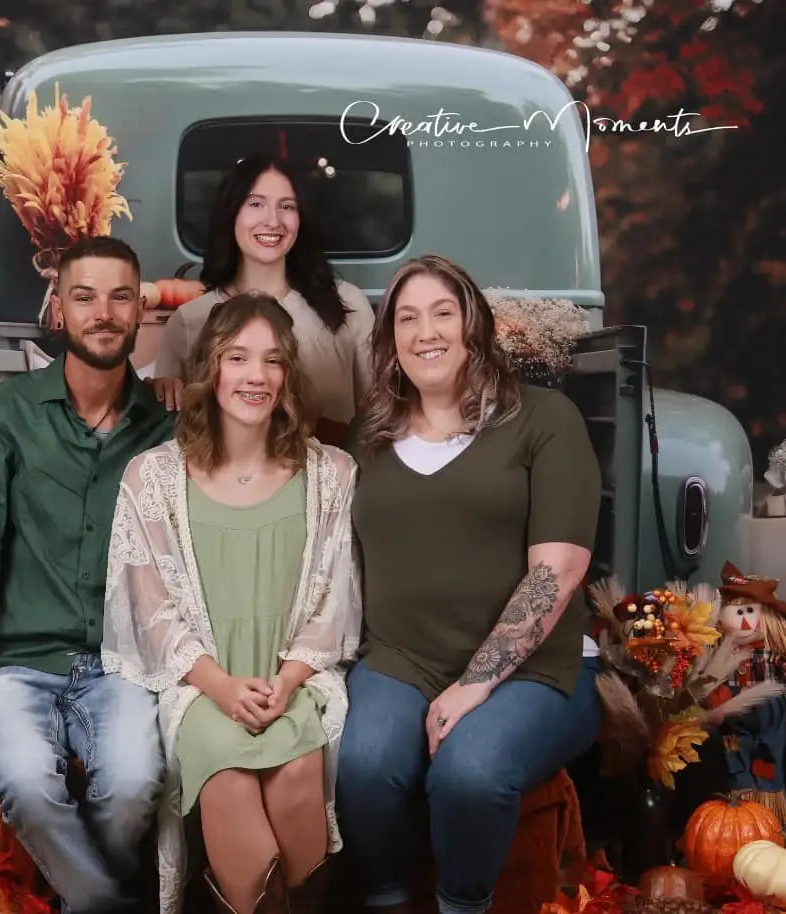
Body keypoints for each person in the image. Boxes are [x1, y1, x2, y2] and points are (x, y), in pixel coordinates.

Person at [335, 255, 603, 914]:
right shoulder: (368, 437)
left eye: (442, 313)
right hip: (400, 659)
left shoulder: (544, 421)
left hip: (531, 673)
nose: (425, 331)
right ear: (389, 342)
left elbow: (557, 570)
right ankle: (387, 899)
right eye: (406, 318)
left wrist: (475, 683)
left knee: (471, 773)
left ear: (473, 326)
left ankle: (461, 905)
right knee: (361, 767)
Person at [0, 236, 176, 914]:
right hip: (18, 664)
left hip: (122, 665)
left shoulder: (168, 427)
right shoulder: (1, 419)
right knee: (24, 780)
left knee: (132, 785)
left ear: (138, 314)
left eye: (120, 296)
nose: (103, 312)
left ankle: (88, 901)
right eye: (85, 296)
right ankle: (112, 904)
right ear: (58, 313)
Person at [103, 292, 362, 914]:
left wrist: (292, 676)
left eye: (272, 361)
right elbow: (150, 608)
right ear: (210, 370)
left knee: (300, 778)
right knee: (229, 783)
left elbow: (336, 595)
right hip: (202, 686)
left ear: (288, 374)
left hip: (293, 681)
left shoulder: (331, 474)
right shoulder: (153, 479)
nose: (256, 376)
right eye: (238, 357)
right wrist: (218, 686)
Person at [151, 154, 374, 432]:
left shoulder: (346, 304)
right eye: (256, 204)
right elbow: (176, 428)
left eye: (287, 206)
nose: (273, 221)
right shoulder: (189, 320)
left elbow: (378, 415)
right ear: (231, 212)